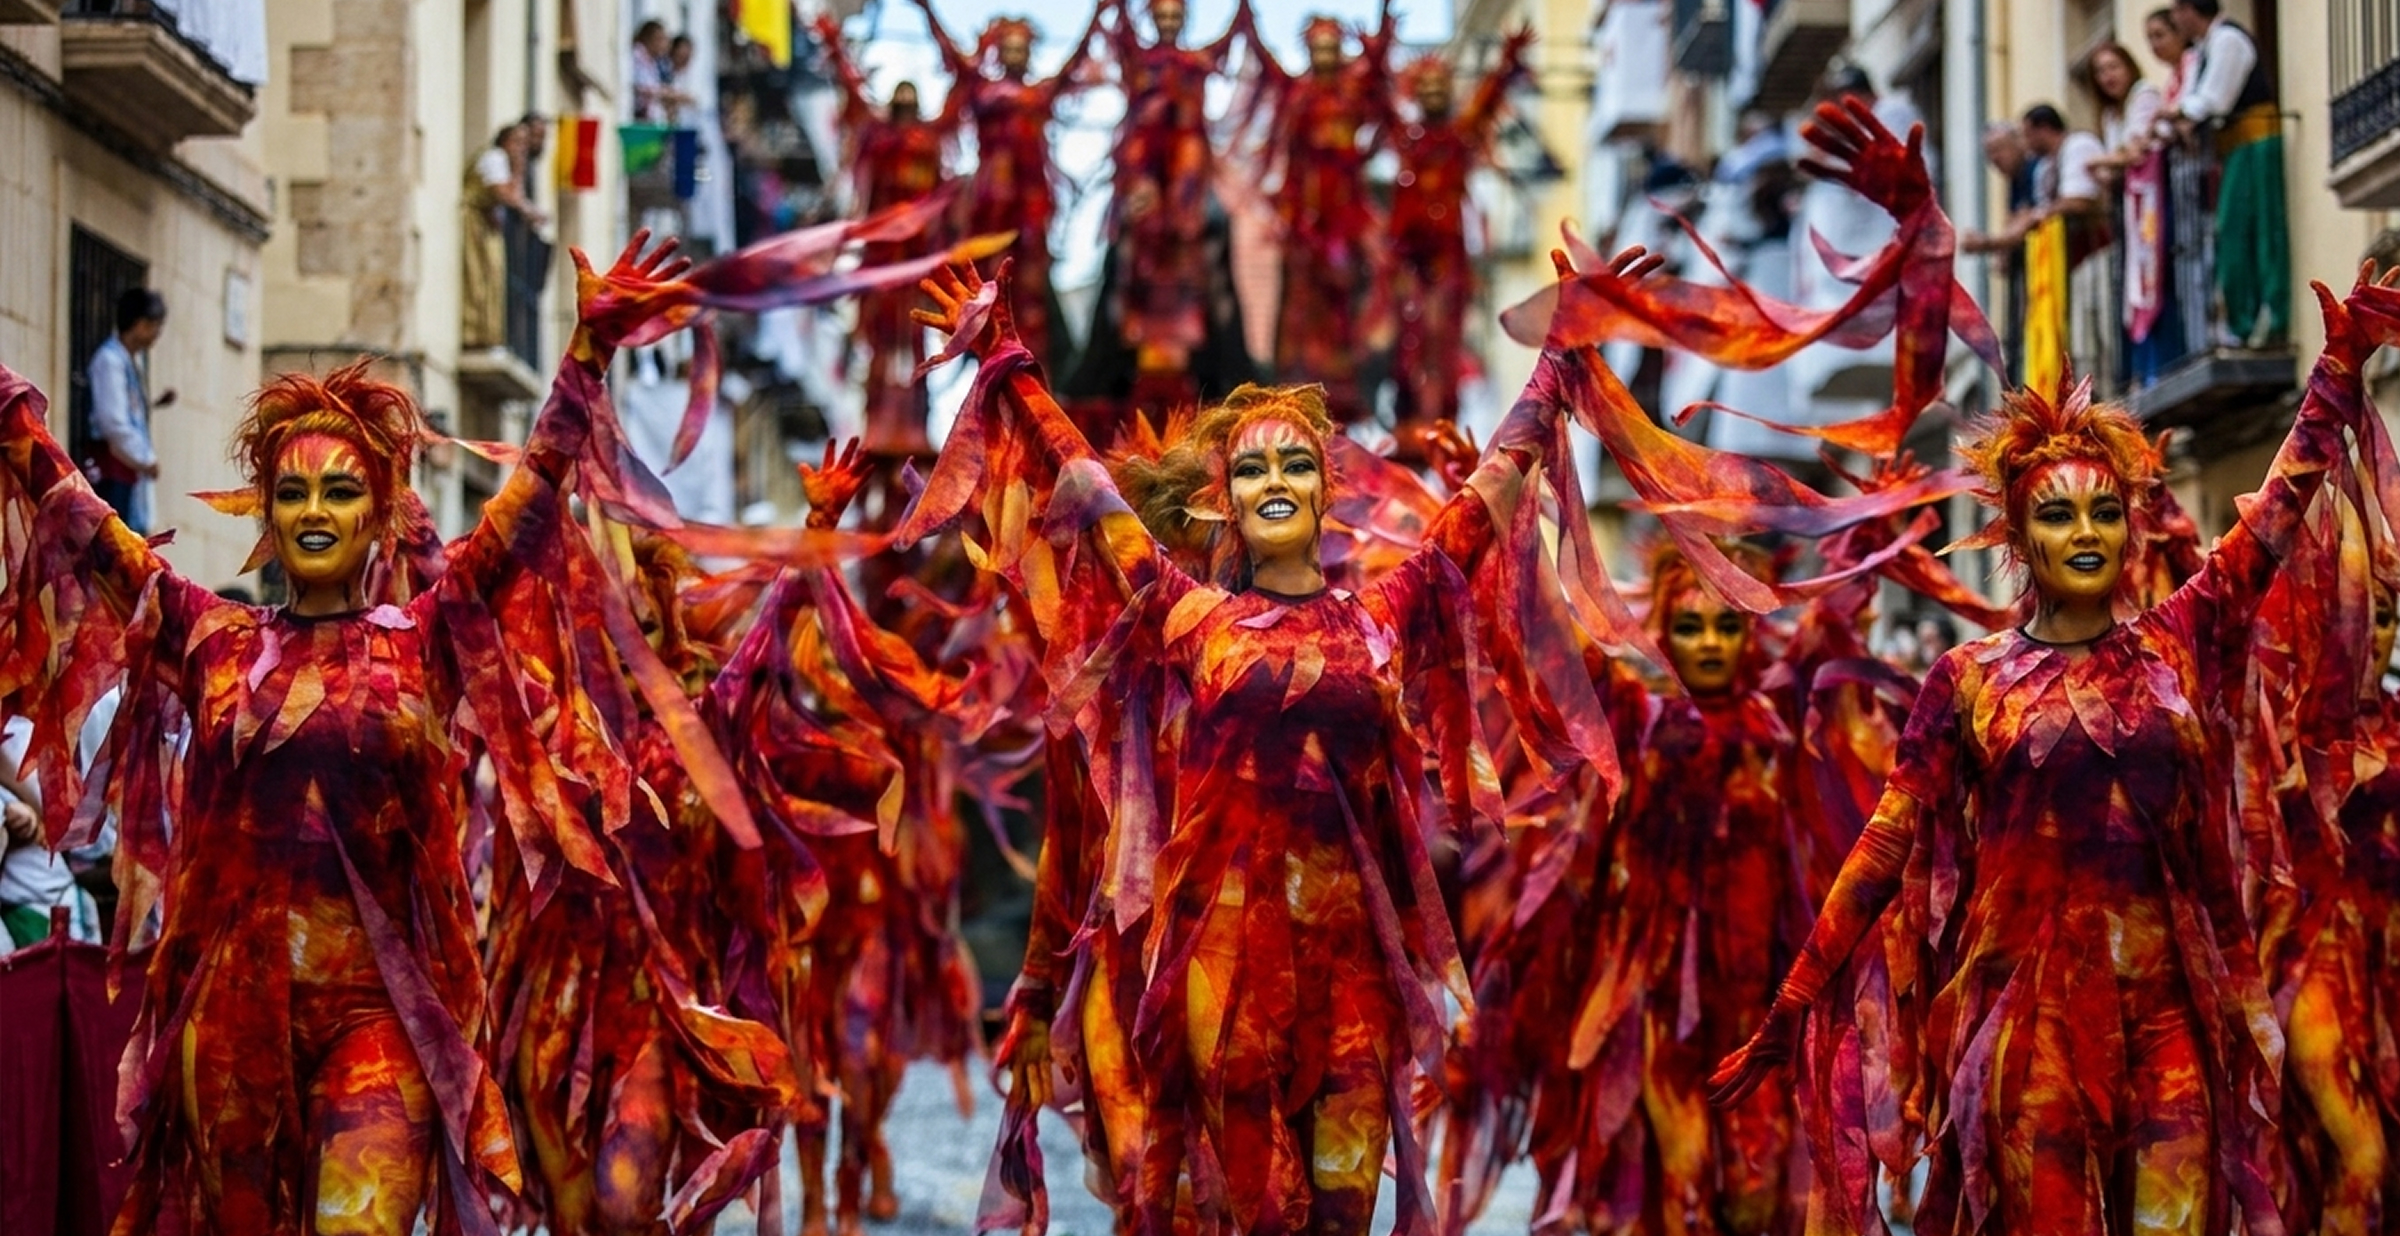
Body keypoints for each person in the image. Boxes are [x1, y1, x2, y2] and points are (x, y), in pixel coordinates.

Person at [911, 251, 1638, 1236]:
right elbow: (1077, 481)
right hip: (1224, 966)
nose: (1276, 479)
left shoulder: (1391, 609)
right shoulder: (1185, 615)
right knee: (1259, 1214)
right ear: (1230, 499)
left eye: (1295, 461)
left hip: (1353, 971)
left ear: (1324, 491)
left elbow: (1493, 493)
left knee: (1340, 1218)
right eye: (1251, 466)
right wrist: (1004, 360)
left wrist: (1561, 358)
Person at [1710, 273, 2398, 1235]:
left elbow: (2276, 515)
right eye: (2057, 515)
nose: (2087, 533)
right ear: (2019, 540)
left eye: (2105, 512)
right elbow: (1882, 850)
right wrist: (1793, 1003)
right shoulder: (1967, 680)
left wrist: (2336, 369)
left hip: (2174, 1017)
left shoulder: (2184, 636)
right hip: (2030, 1031)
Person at [913, 0, 1112, 370]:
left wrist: (1097, 17)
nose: (1015, 54)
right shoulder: (981, 90)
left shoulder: (1039, 95)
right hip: (990, 206)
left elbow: (1073, 64)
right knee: (987, 284)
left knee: (1030, 293)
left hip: (1031, 205)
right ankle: (988, 352)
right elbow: (953, 56)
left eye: (1022, 48)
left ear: (1030, 53)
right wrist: (928, 13)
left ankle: (1026, 362)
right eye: (1009, 48)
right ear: (1000, 53)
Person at [1386, 29, 1531, 456]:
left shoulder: (1459, 137)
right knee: (1410, 338)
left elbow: (1486, 105)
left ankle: (1441, 420)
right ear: (1416, 92)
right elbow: (1377, 105)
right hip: (1410, 258)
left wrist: (1507, 63)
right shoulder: (1407, 141)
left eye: (1440, 85)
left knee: (1441, 337)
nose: (1433, 92)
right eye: (1425, 86)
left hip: (1448, 257)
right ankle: (1413, 420)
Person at [1254, 8, 1399, 424]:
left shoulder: (1352, 97)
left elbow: (1377, 82)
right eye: (1318, 48)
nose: (1326, 55)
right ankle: (1298, 388)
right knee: (1302, 306)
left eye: (1332, 47)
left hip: (1343, 225)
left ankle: (1340, 392)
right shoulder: (1297, 96)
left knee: (1341, 306)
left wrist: (1383, 31)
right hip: (1305, 226)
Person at [2170, 0, 2285, 347]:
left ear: (2192, 9)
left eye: (2177, 8)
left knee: (2261, 229)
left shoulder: (2227, 40)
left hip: (2256, 141)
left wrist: (2176, 117)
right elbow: (2192, 99)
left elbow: (2212, 100)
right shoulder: (2204, 48)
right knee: (2234, 232)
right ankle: (2245, 320)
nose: (2175, 17)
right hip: (2235, 147)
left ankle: (2268, 317)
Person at [85, 287, 168, 534]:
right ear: (141, 325)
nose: (156, 335)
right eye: (155, 327)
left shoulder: (131, 361)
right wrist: (145, 459)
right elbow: (113, 422)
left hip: (128, 470)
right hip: (113, 467)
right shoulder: (109, 361)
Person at [462, 120, 545, 350]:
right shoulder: (495, 158)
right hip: (475, 225)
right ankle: (474, 332)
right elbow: (506, 194)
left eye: (525, 145)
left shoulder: (503, 162)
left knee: (492, 277)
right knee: (479, 277)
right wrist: (519, 170)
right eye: (517, 142)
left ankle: (486, 334)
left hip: (486, 226)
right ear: (504, 141)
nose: (522, 149)